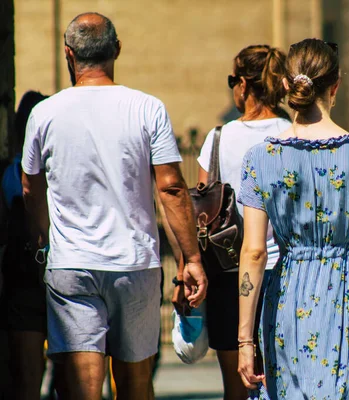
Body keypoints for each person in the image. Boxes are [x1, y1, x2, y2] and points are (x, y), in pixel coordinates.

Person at [219, 38, 349, 399]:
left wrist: (245, 340)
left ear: (286, 85)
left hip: (288, 296)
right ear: (336, 86)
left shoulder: (261, 158)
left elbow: (253, 253)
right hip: (348, 293)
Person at [21, 12, 207, 400]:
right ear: (117, 50)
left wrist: (43, 237)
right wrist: (191, 257)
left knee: (82, 386)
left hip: (72, 262)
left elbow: (29, 186)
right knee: (136, 383)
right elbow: (171, 188)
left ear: (68, 53)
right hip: (134, 263)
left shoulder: (44, 113)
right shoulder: (146, 108)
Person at [166, 44, 290, 400]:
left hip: (230, 276)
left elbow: (201, 210)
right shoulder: (292, 133)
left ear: (243, 86)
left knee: (235, 388)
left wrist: (186, 267)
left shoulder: (220, 139)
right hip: (285, 271)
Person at [0, 90, 48, 400]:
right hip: (51, 275)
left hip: (24, 279)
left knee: (28, 379)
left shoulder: (9, 173)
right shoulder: (56, 171)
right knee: (75, 377)